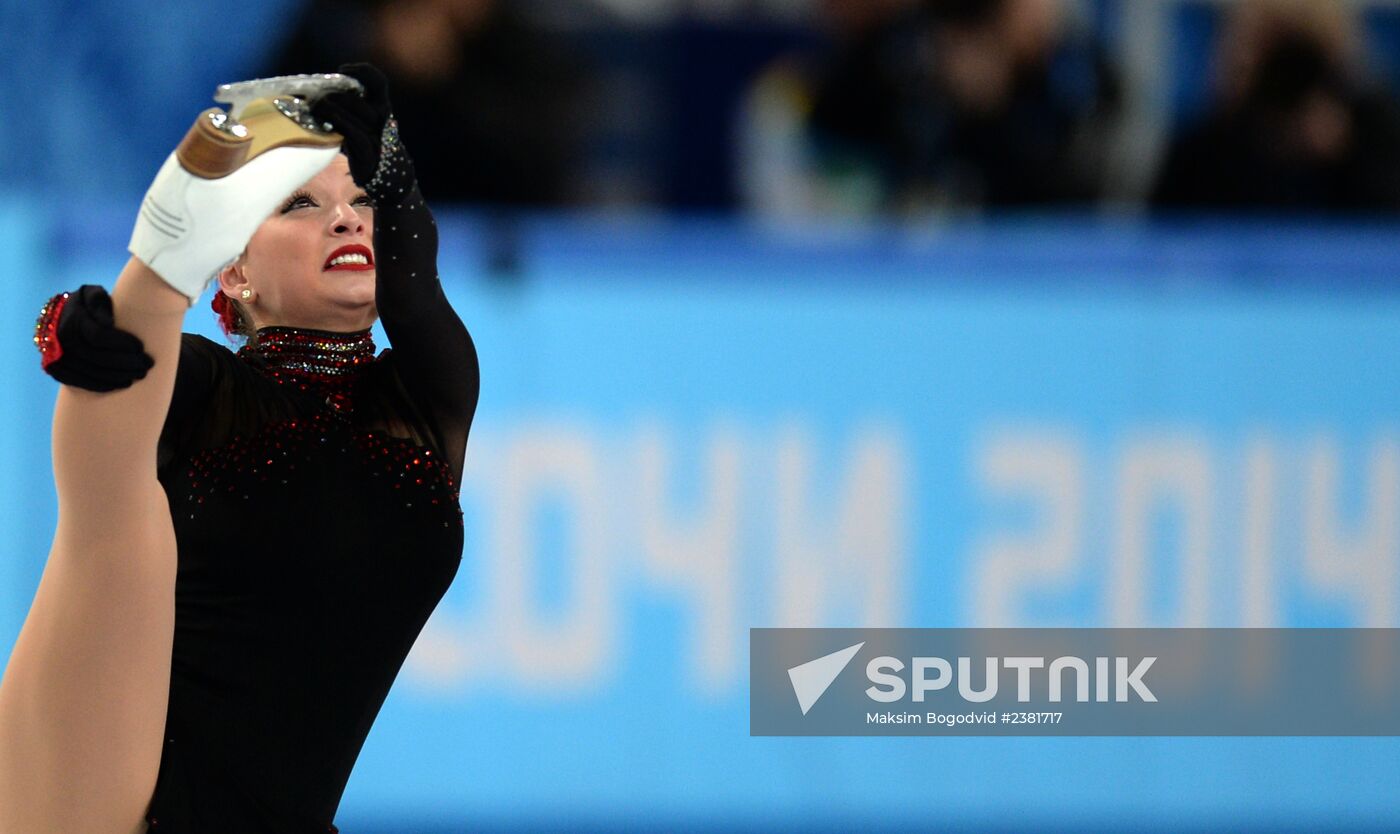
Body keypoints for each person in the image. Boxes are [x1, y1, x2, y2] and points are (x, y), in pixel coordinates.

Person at [0, 64, 479, 832]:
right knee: (124, 509)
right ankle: (163, 259)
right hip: (114, 788)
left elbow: (416, 276)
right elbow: (114, 377)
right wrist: (76, 334)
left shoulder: (421, 403)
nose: (348, 220)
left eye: (358, 204)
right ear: (236, 268)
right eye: (301, 205)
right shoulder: (210, 386)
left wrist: (382, 147)